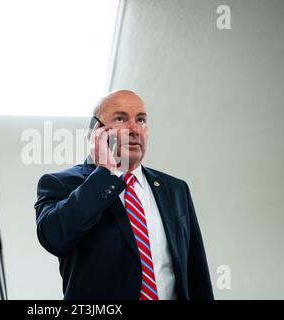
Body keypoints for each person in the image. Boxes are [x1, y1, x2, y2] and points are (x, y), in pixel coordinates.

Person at [34, 89, 214, 300]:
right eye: (120, 119)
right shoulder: (60, 184)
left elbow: (196, 270)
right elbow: (55, 239)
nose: (134, 129)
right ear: (96, 131)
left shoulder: (175, 189)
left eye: (141, 120)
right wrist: (106, 174)